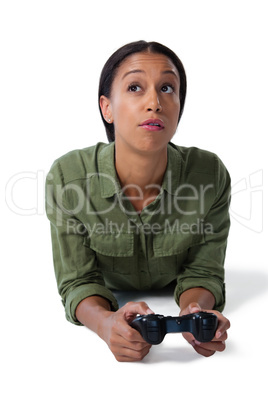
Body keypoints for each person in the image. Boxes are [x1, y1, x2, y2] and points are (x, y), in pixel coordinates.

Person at [46, 40, 231, 362]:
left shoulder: (209, 174)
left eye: (167, 88)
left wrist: (195, 311)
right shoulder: (68, 177)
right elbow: (77, 280)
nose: (154, 103)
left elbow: (204, 272)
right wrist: (105, 324)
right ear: (107, 107)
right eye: (134, 87)